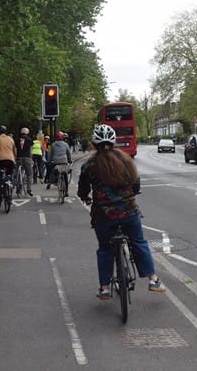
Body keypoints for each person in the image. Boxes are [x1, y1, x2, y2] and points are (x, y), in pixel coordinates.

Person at [77, 124, 166, 300]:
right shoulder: (126, 160)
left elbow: (82, 190)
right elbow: (136, 184)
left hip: (103, 215)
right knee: (139, 242)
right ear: (114, 141)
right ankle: (153, 280)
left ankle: (104, 288)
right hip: (128, 212)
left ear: (94, 144)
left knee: (104, 248)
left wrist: (86, 198)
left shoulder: (89, 165)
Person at [46, 131, 72, 195]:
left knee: (52, 172)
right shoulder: (66, 144)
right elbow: (68, 153)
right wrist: (69, 160)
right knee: (65, 176)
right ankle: (66, 191)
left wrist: (49, 161)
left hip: (55, 162)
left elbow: (50, 154)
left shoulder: (53, 144)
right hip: (64, 161)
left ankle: (50, 183)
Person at [16, 127, 34, 196]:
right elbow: (30, 151)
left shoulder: (17, 140)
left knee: (17, 173)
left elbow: (15, 149)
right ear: (27, 133)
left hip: (19, 158)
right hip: (27, 158)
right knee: (29, 174)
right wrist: (31, 159)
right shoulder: (29, 140)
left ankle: (18, 190)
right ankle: (29, 189)